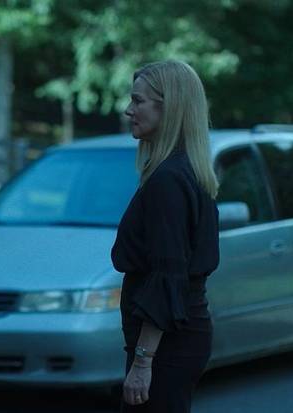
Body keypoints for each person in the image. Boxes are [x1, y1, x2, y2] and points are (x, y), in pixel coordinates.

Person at [111, 60, 220, 412]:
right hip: (178, 338)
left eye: (138, 101)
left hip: (165, 346)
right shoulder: (184, 171)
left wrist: (143, 363)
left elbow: (167, 276)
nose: (129, 109)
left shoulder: (168, 181)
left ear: (169, 107)